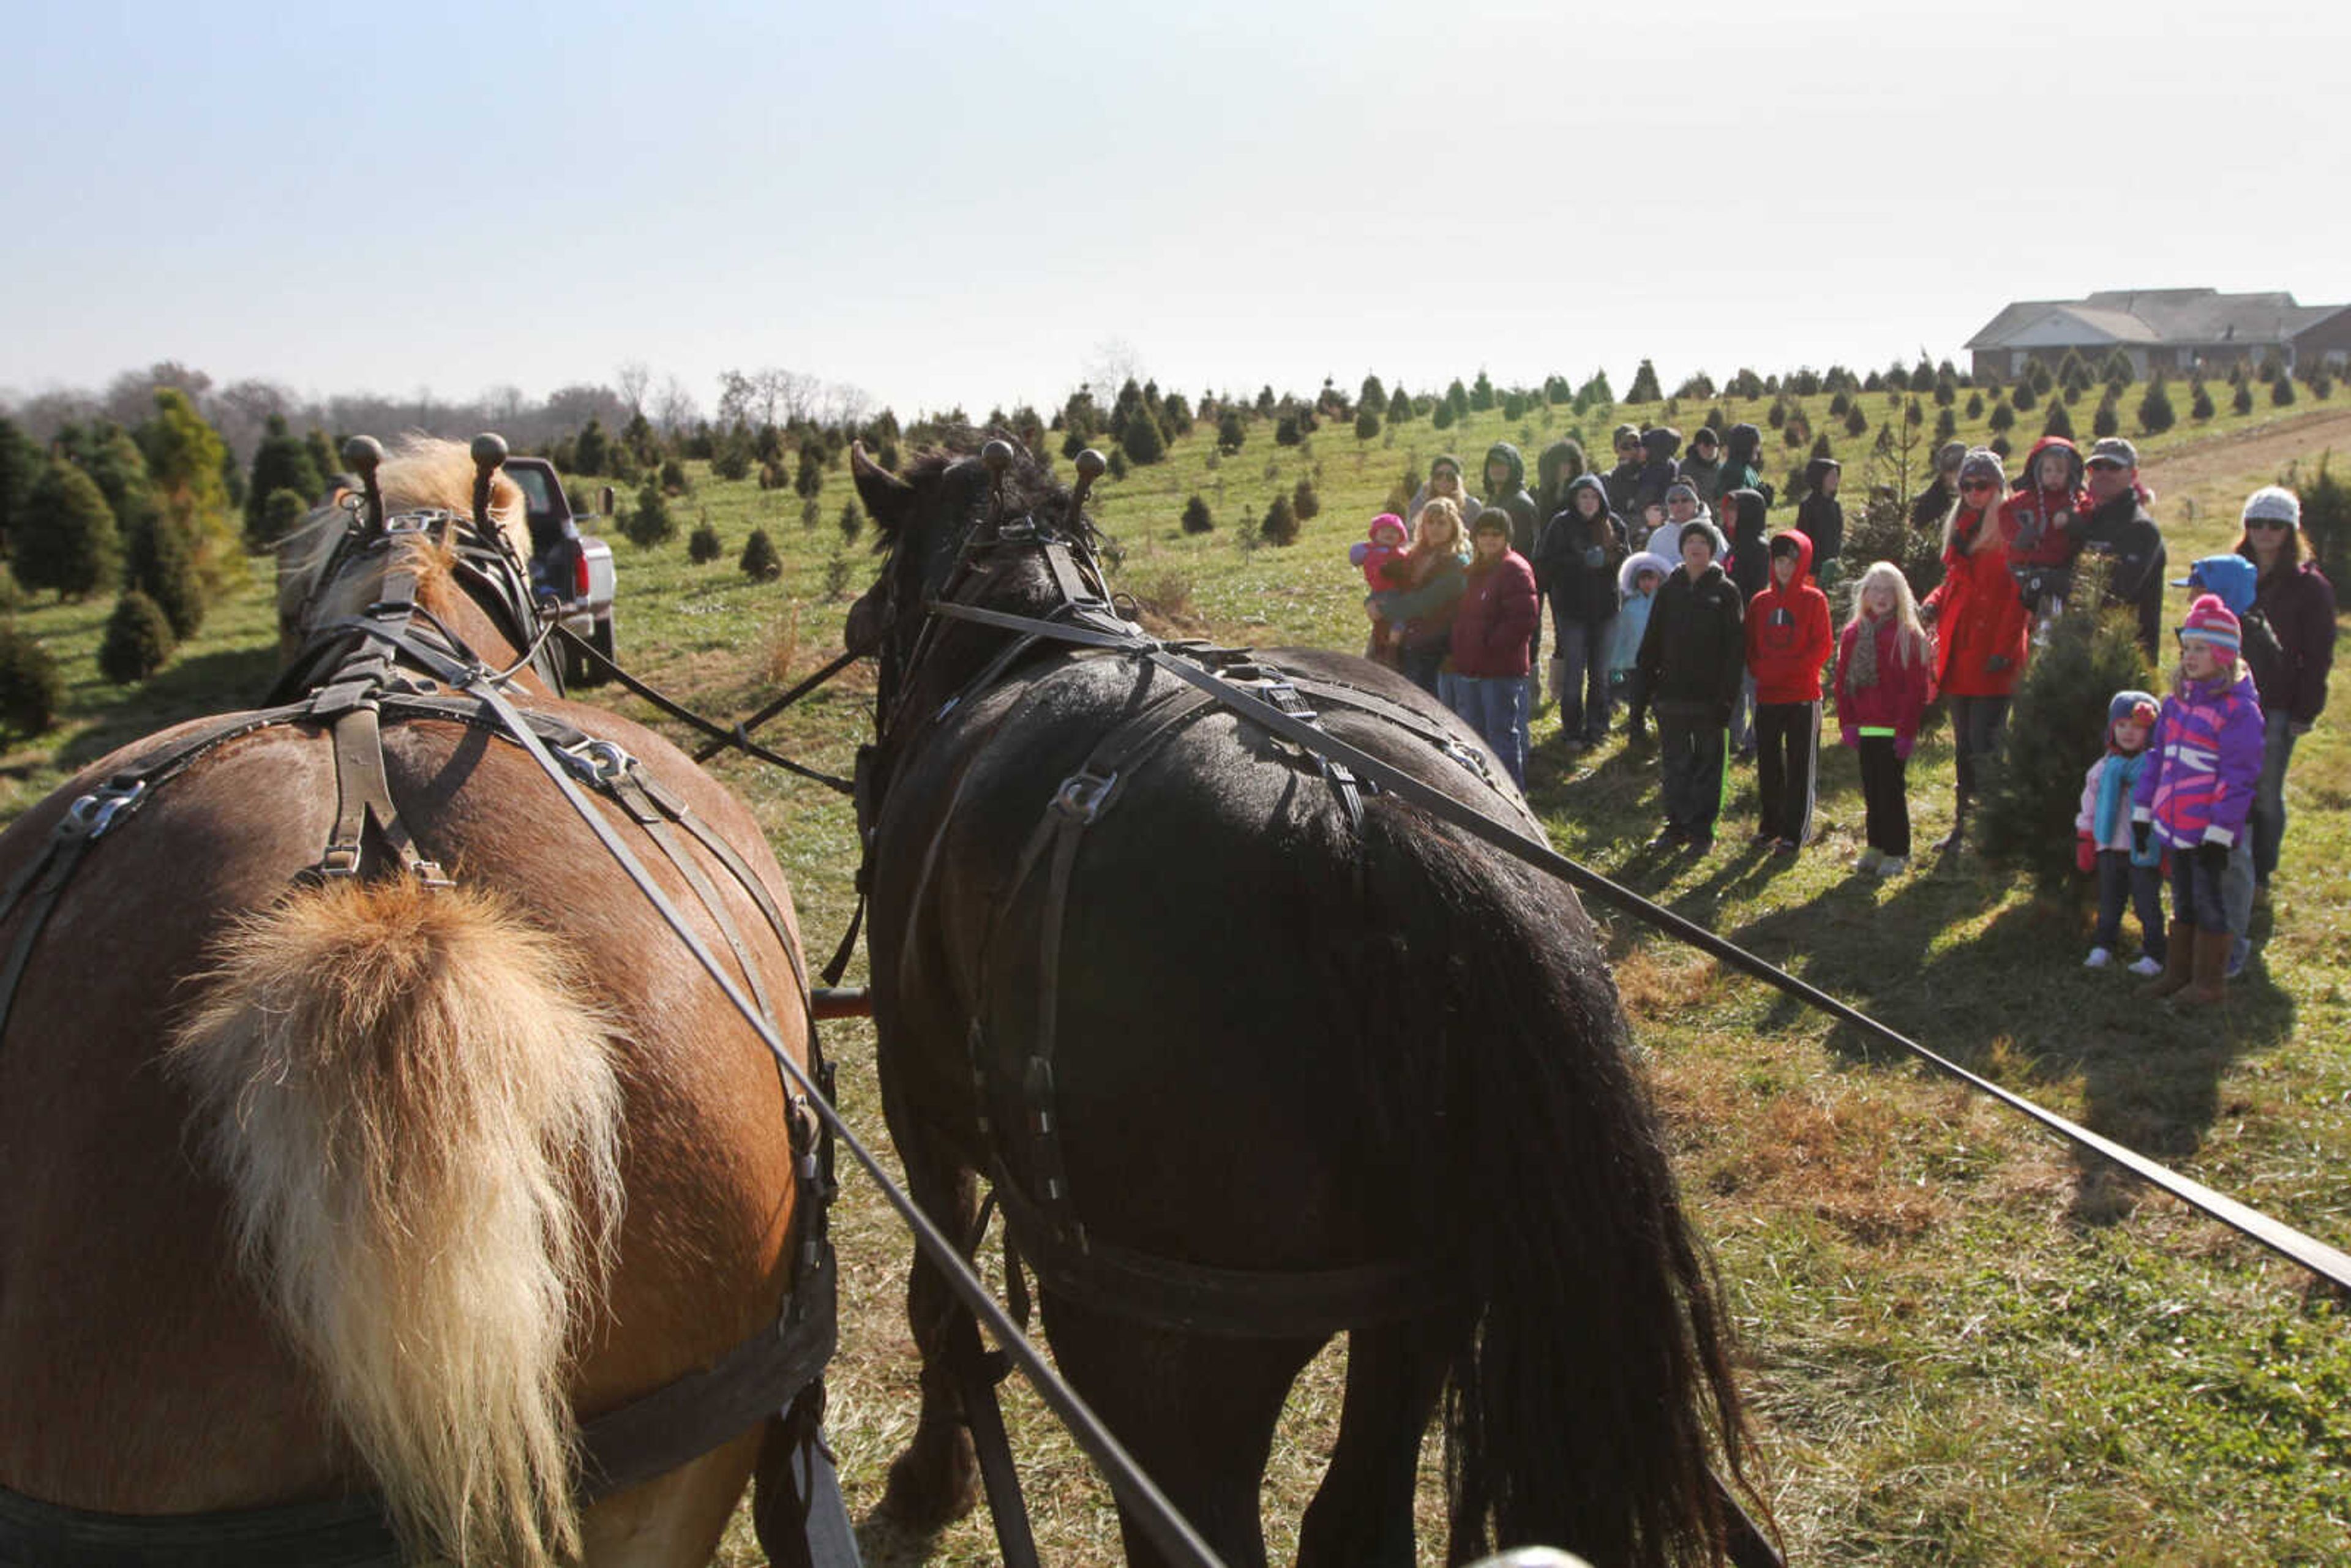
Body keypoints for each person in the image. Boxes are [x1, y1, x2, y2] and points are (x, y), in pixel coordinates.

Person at [2134, 594, 2263, 1007]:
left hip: (2207, 830)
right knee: (2184, 898)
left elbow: (2238, 777)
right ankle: (2179, 972)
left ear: (2225, 655)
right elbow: (2157, 758)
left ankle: (2209, 983)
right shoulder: (2176, 704)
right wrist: (2142, 809)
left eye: (2201, 649)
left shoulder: (2238, 711)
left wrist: (2219, 834)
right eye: (2187, 647)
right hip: (2175, 826)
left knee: (2211, 903)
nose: (2190, 656)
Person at [1919, 448, 2029, 853]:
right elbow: (1951, 583)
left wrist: (2004, 651)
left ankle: (1995, 830)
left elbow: (2018, 600)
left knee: (1987, 746)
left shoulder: (2011, 532)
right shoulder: (1962, 527)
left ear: (1998, 487)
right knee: (1964, 746)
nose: (1973, 493)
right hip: (1959, 653)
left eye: (1981, 485)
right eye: (1966, 486)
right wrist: (1932, 602)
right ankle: (1964, 827)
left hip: (1992, 658)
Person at [2233, 485, 2337, 898]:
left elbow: (2319, 655)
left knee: (2266, 792)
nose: (2264, 532)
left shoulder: (2310, 587)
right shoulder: (2232, 572)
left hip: (2276, 702)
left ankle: (2260, 873)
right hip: (2230, 696)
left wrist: (2305, 709)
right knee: (2229, 784)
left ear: (2291, 530)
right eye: (2256, 523)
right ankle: (2228, 862)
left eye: (2275, 524)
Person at [1637, 518, 1744, 852]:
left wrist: (1727, 700)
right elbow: (1651, 643)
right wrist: (1643, 697)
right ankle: (1676, 826)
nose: (1695, 547)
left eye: (1702, 542)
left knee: (1709, 765)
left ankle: (1703, 831)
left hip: (1711, 700)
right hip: (1672, 698)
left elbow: (1735, 651)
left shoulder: (1726, 592)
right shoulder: (1670, 590)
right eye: (1689, 542)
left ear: (1711, 549)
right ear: (1682, 549)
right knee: (1675, 765)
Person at [1835, 561, 1934, 877]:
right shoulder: (1853, 634)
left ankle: (1898, 850)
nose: (1881, 596)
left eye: (1888, 590)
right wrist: (1847, 722)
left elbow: (1915, 689)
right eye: (1875, 589)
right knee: (1872, 789)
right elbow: (1842, 683)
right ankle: (1875, 845)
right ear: (1864, 594)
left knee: (1891, 791)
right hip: (1865, 726)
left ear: (1899, 595)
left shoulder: (1908, 635)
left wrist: (1906, 731)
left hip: (1892, 728)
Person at [1746, 529, 1833, 853]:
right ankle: (1770, 826)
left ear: (1803, 562)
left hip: (1802, 696)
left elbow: (1822, 646)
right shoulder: (1761, 602)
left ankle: (1795, 832)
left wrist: (1792, 670)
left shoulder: (1814, 600)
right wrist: (1763, 672)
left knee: (1800, 764)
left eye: (1791, 562)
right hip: (1768, 695)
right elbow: (1752, 646)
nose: (1784, 568)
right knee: (1768, 764)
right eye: (1779, 561)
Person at [2075, 690, 2167, 975]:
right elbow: (2088, 806)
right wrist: (2086, 838)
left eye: (2137, 727)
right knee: (2110, 901)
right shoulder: (2102, 770)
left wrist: (2166, 848)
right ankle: (2103, 945)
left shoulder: (2156, 771)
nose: (2129, 733)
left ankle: (2155, 952)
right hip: (2109, 848)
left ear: (2150, 731)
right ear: (2112, 729)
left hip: (2142, 851)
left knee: (2147, 904)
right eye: (2122, 726)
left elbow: (2165, 808)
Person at [1534, 474, 1628, 751]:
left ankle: (1597, 728)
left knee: (1600, 673)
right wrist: (1578, 562)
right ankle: (1572, 730)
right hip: (1572, 610)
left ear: (1602, 499)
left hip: (1607, 610)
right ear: (1575, 499)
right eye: (1583, 496)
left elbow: (1627, 563)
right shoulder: (1561, 525)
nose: (1589, 502)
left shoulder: (1614, 524)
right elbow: (1545, 563)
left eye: (1594, 497)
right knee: (1574, 673)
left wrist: (1610, 558)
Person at [1448, 511, 1540, 787]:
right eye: (1483, 534)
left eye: (1495, 534)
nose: (1489, 540)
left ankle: (1514, 796)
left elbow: (1523, 620)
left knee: (1502, 739)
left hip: (1500, 671)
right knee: (1474, 739)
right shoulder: (1475, 569)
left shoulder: (1514, 568)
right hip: (1470, 668)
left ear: (1506, 537)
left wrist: (1488, 647)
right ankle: (1483, 794)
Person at [2075, 437, 2167, 659]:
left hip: (2127, 660)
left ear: (2133, 475)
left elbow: (2116, 593)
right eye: (2096, 466)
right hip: (2081, 655)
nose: (2103, 473)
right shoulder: (2084, 521)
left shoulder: (2141, 528)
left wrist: (2058, 582)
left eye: (2114, 467)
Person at [1370, 497, 1469, 697]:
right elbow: (1387, 585)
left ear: (1453, 527)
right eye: (1430, 522)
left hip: (1434, 649)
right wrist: (1370, 601)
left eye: (1442, 523)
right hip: (1403, 643)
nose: (1435, 528)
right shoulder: (1413, 556)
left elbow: (1423, 603)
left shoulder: (1457, 564)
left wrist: (1382, 609)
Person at [1480, 441, 1543, 737]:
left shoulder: (1519, 503)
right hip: (1493, 588)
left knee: (1520, 652)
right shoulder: (1495, 498)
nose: (1497, 469)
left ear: (1515, 467)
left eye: (1504, 463)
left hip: (1513, 590)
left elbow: (1525, 552)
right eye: (1493, 463)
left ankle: (1524, 719)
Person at [2001, 435, 2087, 626]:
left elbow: (2089, 513)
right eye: (2048, 470)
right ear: (2038, 471)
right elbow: (2005, 514)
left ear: (2070, 474)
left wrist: (2073, 518)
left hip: (2063, 569)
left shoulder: (2075, 499)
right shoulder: (2027, 499)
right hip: (2029, 567)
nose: (2053, 476)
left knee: (2055, 618)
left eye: (2060, 471)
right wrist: (2019, 536)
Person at [1722, 487, 1772, 759]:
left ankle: (1756, 740)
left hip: (1751, 626)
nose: (1730, 515)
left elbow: (1757, 589)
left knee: (1754, 687)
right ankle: (1734, 737)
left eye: (1736, 510)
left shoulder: (1760, 548)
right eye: (1727, 509)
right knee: (1735, 686)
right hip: (1731, 626)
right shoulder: (1734, 545)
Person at [1613, 550, 1673, 746]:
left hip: (1659, 662)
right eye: (1643, 579)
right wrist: (1616, 664)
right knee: (1637, 700)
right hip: (1634, 662)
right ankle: (1636, 734)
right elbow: (1622, 635)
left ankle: (1665, 736)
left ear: (1659, 580)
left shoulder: (1664, 603)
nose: (1647, 583)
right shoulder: (1630, 607)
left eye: (1651, 579)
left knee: (1660, 702)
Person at [1794, 457, 1845, 586]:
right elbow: (1803, 537)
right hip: (1813, 568)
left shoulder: (1836, 506)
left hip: (1833, 565)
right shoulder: (1808, 506)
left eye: (1837, 476)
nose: (1836, 480)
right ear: (1820, 477)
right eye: (1831, 476)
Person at [1407, 454, 1481, 533]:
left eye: (1450, 476)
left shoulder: (1471, 507)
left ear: (1457, 480)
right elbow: (1411, 533)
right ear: (1432, 479)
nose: (1444, 479)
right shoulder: (1419, 503)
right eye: (1438, 475)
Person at [1910, 440, 1967, 532]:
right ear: (1945, 473)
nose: (1962, 475)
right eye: (1958, 470)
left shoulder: (1969, 496)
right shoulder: (1928, 503)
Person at [1534, 437, 1589, 530]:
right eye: (1562, 463)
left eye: (1570, 462)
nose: (1567, 467)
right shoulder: (1544, 493)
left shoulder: (1580, 491)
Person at [1632, 426, 1684, 518]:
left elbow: (1641, 502)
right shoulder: (1672, 465)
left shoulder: (1654, 472)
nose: (1639, 451)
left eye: (1644, 447)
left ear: (1654, 450)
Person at [1602, 424, 1646, 520]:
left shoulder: (1649, 475)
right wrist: (1643, 519)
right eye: (1626, 446)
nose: (1633, 450)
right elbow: (1608, 519)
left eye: (1636, 445)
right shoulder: (1607, 480)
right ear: (1616, 449)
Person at [1719, 422, 1770, 503]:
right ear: (1746, 446)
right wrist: (1758, 496)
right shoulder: (1733, 472)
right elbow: (1736, 503)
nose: (1758, 449)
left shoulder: (1748, 468)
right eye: (1756, 444)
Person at [1682, 426, 1725, 506]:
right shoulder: (1685, 468)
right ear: (1697, 447)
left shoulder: (1721, 468)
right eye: (1706, 446)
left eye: (1714, 447)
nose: (1711, 451)